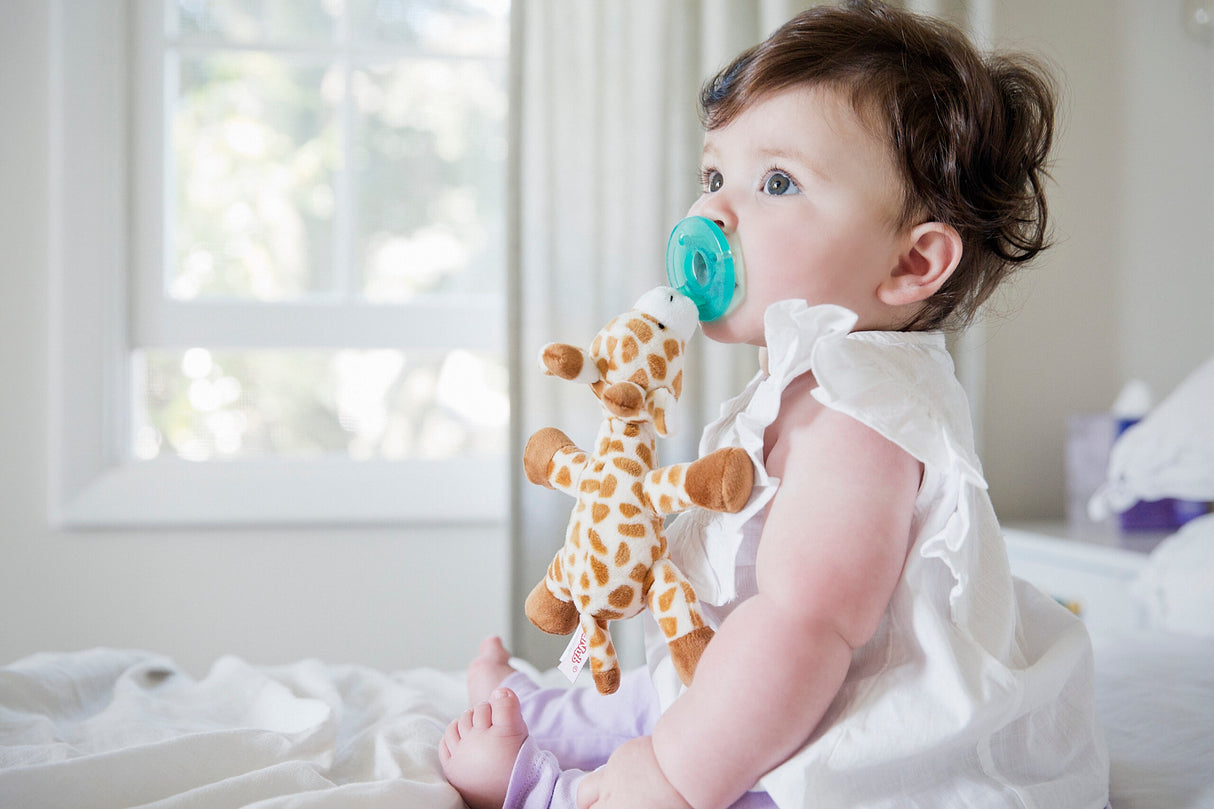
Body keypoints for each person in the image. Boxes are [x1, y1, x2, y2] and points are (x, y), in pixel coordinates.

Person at [439, 2, 1111, 807]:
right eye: (714, 175)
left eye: (778, 182)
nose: (712, 212)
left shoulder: (863, 419)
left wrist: (668, 779)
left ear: (912, 261)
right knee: (675, 691)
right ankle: (544, 707)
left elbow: (801, 628)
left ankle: (538, 784)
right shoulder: (805, 380)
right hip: (756, 687)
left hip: (853, 727)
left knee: (704, 764)